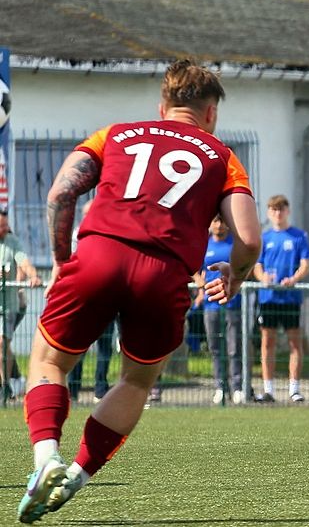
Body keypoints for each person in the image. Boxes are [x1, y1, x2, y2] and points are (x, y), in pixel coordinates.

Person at [17, 59, 260, 523]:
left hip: (99, 256)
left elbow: (60, 195)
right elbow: (248, 240)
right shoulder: (223, 157)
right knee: (135, 381)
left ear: (162, 106)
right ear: (211, 113)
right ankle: (77, 476)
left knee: (49, 361)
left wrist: (64, 259)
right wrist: (236, 274)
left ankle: (46, 457)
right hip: (164, 276)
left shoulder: (114, 134)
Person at [253, 194, 309, 403]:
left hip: (290, 298)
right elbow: (257, 265)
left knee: (294, 342)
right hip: (268, 298)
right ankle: (268, 390)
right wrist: (263, 278)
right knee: (267, 342)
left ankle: (294, 389)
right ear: (269, 213)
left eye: (281, 209)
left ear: (288, 211)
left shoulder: (299, 236)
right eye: (274, 209)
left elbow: (306, 264)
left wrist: (293, 279)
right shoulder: (264, 238)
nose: (278, 213)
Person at [64, 201, 115, 403]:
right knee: (79, 346)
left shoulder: (110, 232)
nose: (87, 217)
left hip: (108, 299)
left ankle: (100, 390)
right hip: (85, 300)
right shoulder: (78, 235)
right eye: (85, 214)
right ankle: (73, 390)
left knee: (105, 348)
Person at [193, 216, 245, 405]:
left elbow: (245, 267)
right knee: (215, 347)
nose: (219, 225)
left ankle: (237, 387)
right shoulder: (203, 244)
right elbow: (193, 267)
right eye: (215, 221)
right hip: (210, 304)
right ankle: (220, 387)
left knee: (234, 347)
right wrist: (198, 280)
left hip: (232, 303)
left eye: (222, 222)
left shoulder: (235, 244)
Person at [0, 209, 41, 400]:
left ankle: (5, 385)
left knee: (2, 342)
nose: (4, 229)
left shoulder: (13, 242)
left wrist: (33, 276)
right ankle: (11, 380)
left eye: (5, 225)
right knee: (3, 346)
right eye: (1, 226)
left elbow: (24, 262)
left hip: (8, 305)